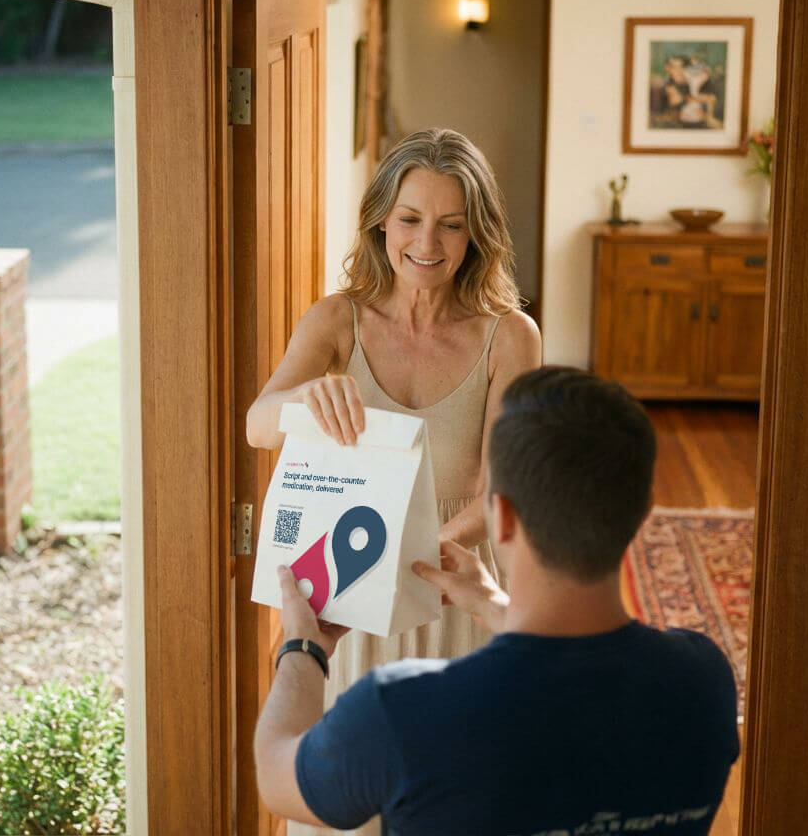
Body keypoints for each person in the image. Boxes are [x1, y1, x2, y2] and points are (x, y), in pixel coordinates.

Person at [254, 366, 740, 835]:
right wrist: (494, 605)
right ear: (642, 515)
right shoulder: (704, 682)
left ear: (502, 518)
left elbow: (277, 776)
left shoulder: (403, 712)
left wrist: (304, 648)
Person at [246, 129, 540, 829]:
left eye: (451, 224)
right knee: (346, 797)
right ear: (382, 219)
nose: (427, 242)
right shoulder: (336, 320)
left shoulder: (510, 335)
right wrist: (303, 401)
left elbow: (505, 487)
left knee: (454, 799)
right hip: (348, 598)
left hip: (455, 586)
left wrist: (430, 542)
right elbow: (258, 423)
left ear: (477, 233)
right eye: (410, 218)